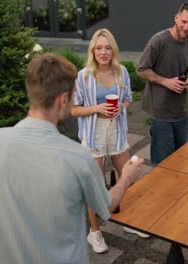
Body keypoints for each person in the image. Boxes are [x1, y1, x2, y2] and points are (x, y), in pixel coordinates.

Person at [0, 53, 144, 263]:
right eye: (73, 95)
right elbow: (107, 205)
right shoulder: (77, 157)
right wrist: (126, 177)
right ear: (63, 99)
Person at [72, 28, 149, 254]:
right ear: (92, 50)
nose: (103, 52)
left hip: (116, 133)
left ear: (113, 49)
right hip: (93, 137)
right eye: (98, 48)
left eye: (107, 47)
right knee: (95, 187)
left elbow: (127, 99)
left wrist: (119, 110)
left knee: (130, 178)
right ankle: (94, 232)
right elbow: (74, 110)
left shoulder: (121, 71)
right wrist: (97, 108)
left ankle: (129, 221)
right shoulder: (83, 75)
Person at [137, 2, 188, 164]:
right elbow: (141, 69)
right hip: (161, 113)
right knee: (163, 165)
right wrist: (165, 81)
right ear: (176, 18)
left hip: (181, 112)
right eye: (183, 21)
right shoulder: (159, 41)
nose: (186, 27)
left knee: (179, 162)